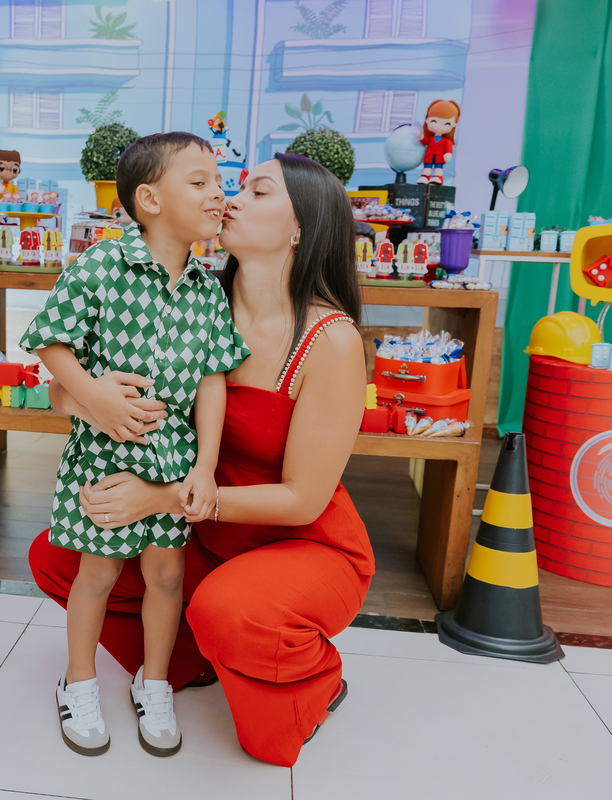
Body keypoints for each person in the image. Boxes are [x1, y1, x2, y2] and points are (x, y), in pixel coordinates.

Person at [29, 152, 373, 767]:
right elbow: (67, 384)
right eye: (223, 186)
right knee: (58, 555)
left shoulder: (332, 341)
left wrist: (161, 498)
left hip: (294, 539)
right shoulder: (191, 299)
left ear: (302, 227)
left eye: (257, 191)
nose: (230, 198)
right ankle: (182, 666)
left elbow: (303, 500)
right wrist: (94, 401)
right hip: (203, 532)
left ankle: (317, 674)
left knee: (233, 631)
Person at [20, 132, 246, 758]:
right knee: (96, 572)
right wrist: (92, 395)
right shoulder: (100, 265)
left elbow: (212, 381)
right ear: (148, 199)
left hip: (172, 452)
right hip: (104, 450)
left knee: (166, 574)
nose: (216, 193)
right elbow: (49, 341)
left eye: (218, 181)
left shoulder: (206, 289)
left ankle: (154, 683)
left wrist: (204, 464)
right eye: (198, 182)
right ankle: (79, 682)